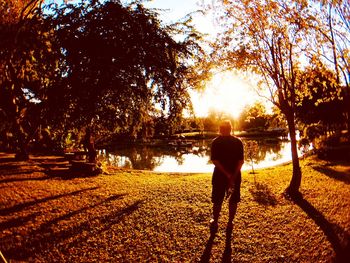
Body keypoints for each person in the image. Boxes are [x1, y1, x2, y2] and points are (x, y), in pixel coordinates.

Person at [210, 120, 244, 232]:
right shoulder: (238, 142)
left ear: (220, 129)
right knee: (232, 199)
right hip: (235, 175)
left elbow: (215, 161)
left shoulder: (215, 142)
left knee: (218, 200)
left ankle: (215, 221)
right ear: (230, 129)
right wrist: (232, 176)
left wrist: (227, 175)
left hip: (220, 175)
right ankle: (230, 222)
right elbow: (241, 162)